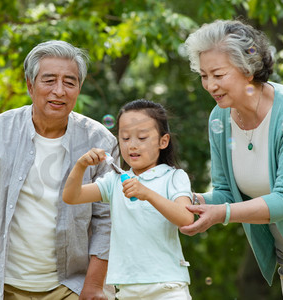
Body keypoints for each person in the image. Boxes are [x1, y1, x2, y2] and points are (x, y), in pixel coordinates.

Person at [180, 19, 283, 300]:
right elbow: (224, 192)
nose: (210, 85)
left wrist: (222, 214)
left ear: (247, 69)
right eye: (204, 75)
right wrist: (191, 200)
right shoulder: (219, 116)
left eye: (218, 74)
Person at [0, 40, 119, 300]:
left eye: (69, 82)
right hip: (3, 285)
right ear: (30, 86)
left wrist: (95, 285)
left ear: (79, 88)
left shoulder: (100, 140)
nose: (59, 91)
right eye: (49, 80)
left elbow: (107, 218)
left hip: (72, 286)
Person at [63, 99, 194, 300]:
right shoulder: (115, 180)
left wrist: (147, 193)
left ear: (163, 141)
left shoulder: (174, 177)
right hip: (126, 290)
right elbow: (71, 196)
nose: (132, 145)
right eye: (125, 138)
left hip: (167, 287)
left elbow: (186, 218)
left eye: (142, 137)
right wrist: (81, 165)